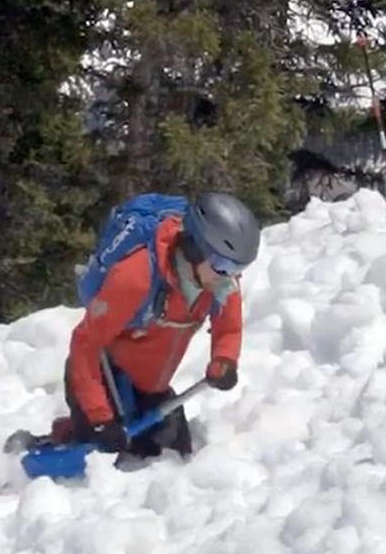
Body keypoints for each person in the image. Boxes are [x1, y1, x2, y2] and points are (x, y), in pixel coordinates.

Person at [57, 192, 260, 462]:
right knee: (102, 461)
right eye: (223, 265)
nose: (230, 277)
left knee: (172, 460)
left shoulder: (218, 281)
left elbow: (229, 327)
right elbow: (85, 344)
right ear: (194, 249)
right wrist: (99, 419)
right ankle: (58, 443)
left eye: (238, 268)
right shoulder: (135, 277)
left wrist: (224, 359)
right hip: (102, 376)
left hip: (150, 386)